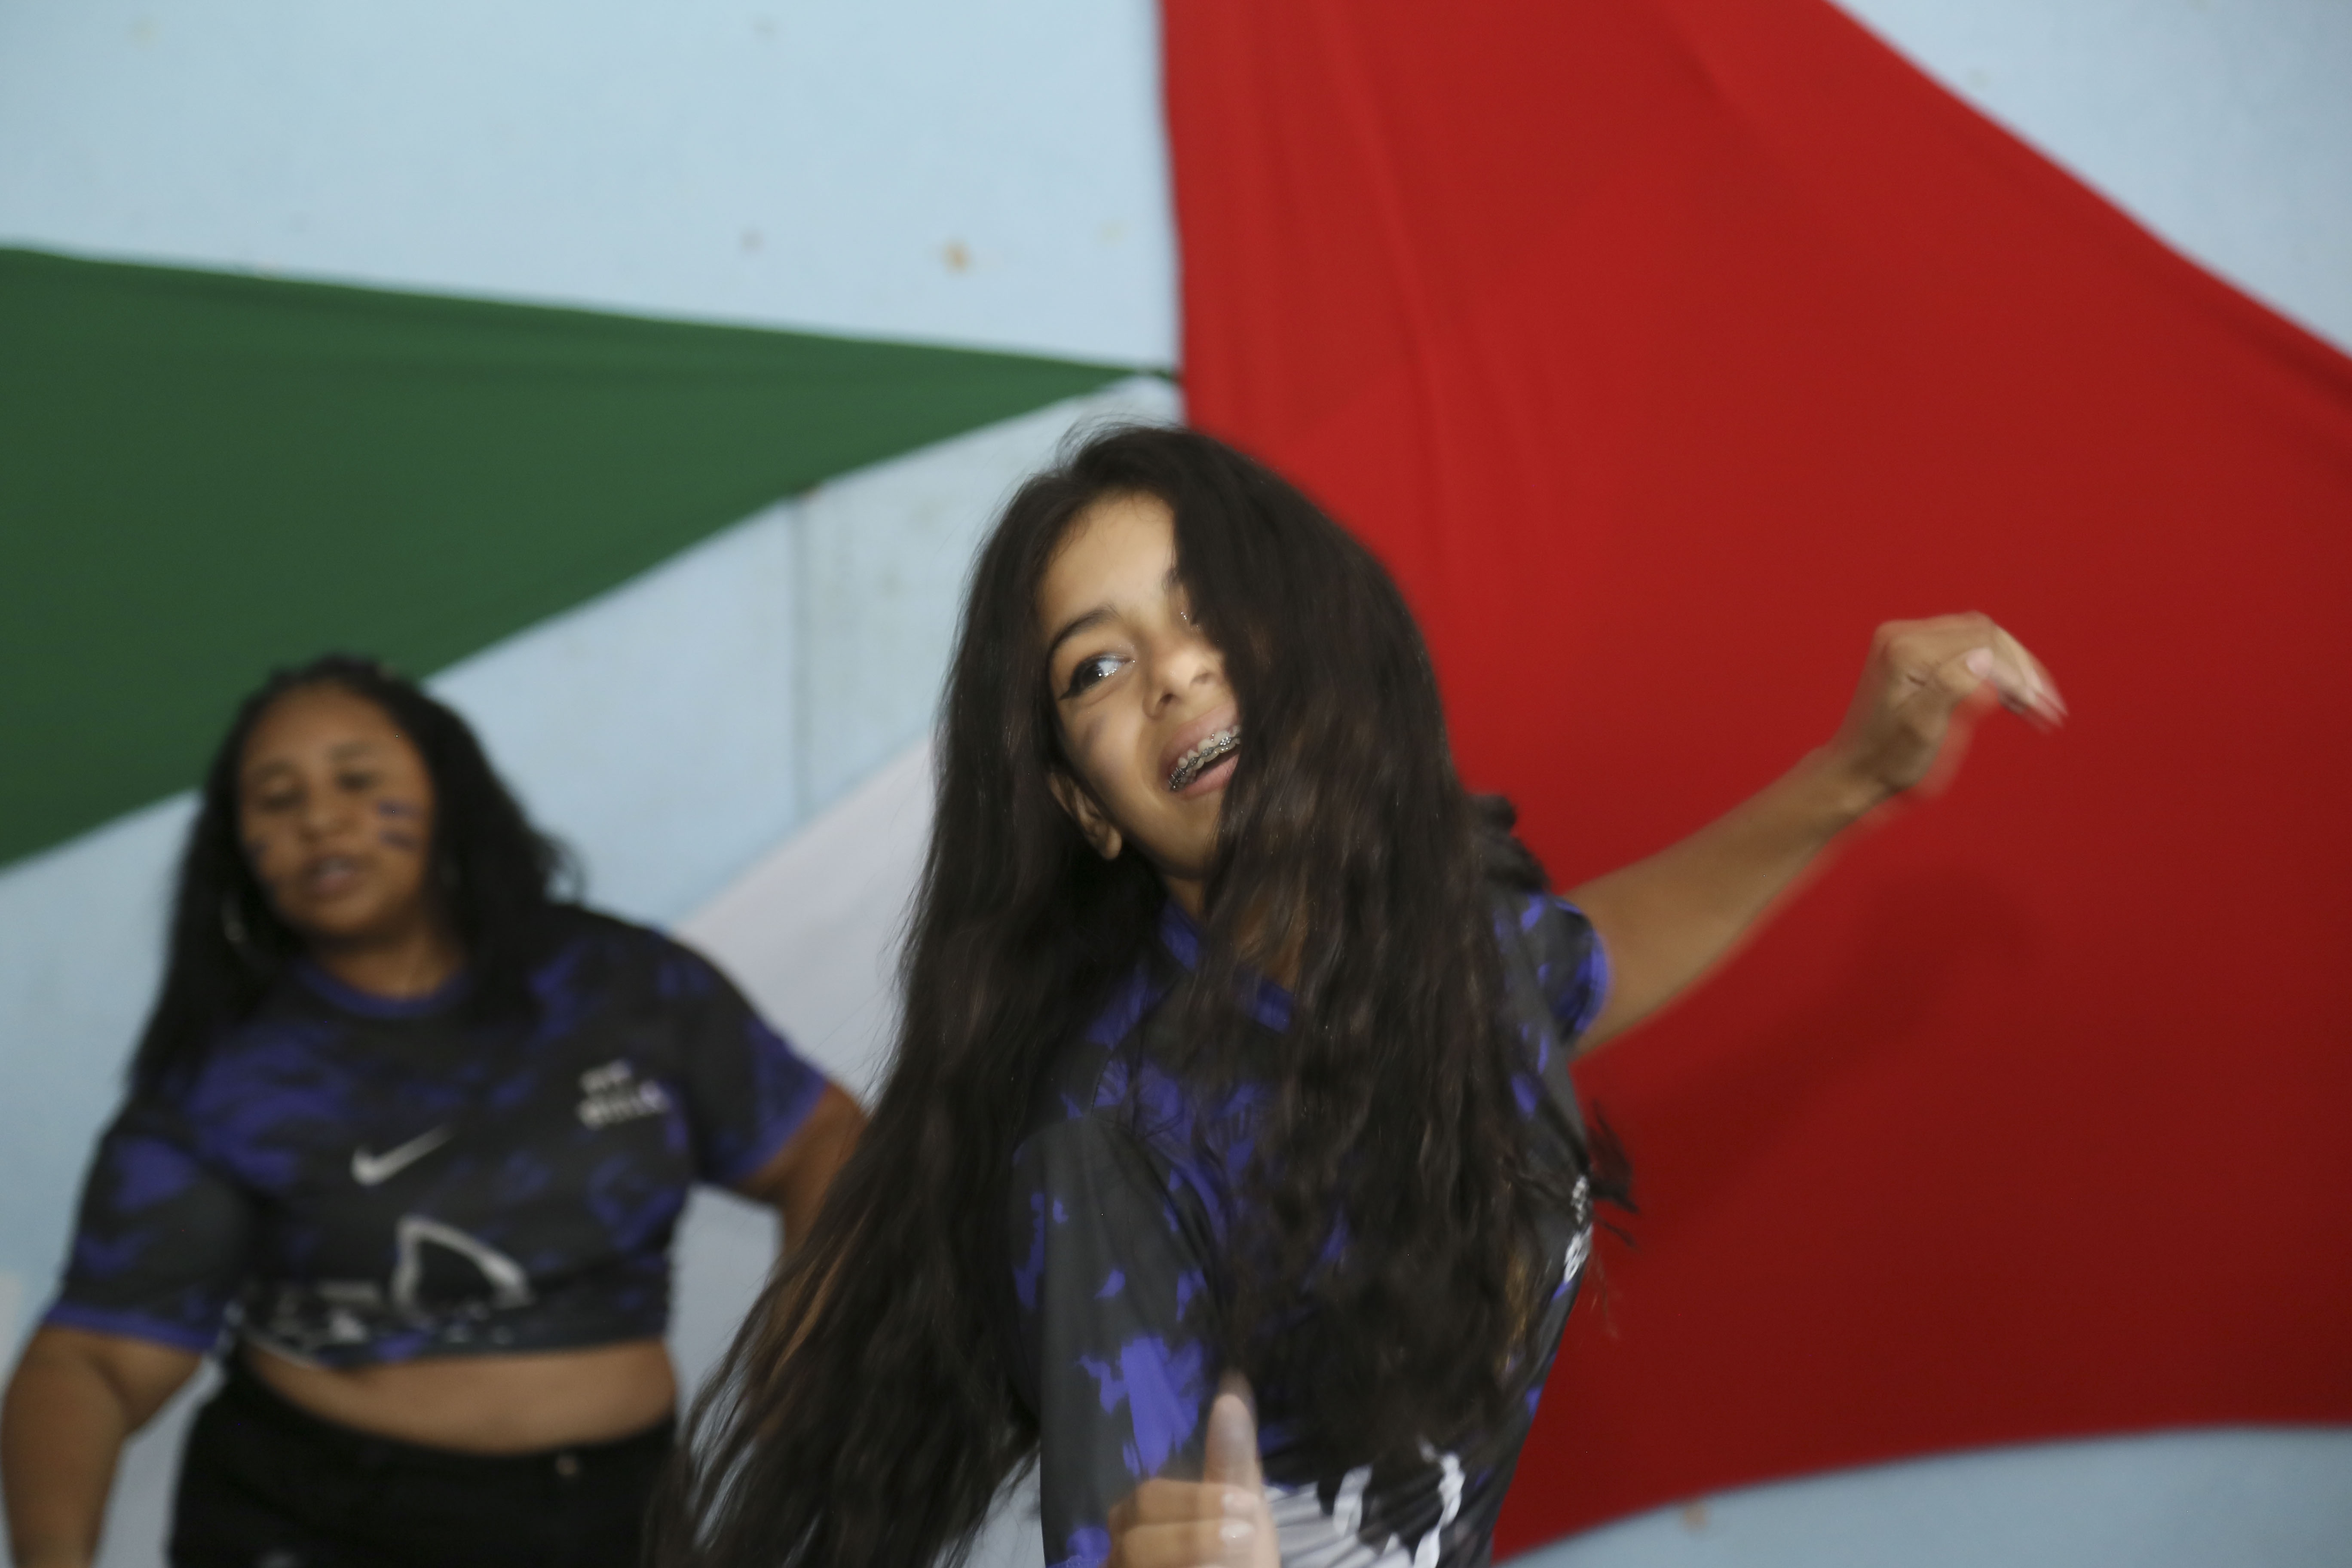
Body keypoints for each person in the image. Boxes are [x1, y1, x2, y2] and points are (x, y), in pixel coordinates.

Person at [654, 426, 2062, 1568]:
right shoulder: (1110, 1142)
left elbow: (1579, 962)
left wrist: (1855, 776)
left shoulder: (1441, 947)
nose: (1174, 671)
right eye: (1098, 666)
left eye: (1205, 606)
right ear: (1083, 804)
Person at [0, 655, 866, 1568]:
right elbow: (96, 1359)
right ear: (241, 852)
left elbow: (824, 1136)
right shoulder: (233, 1076)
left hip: (624, 1515)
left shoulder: (624, 987)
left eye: (356, 779)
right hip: (322, 1524)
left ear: (449, 795)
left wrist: (808, 1335)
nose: (319, 819)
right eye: (278, 800)